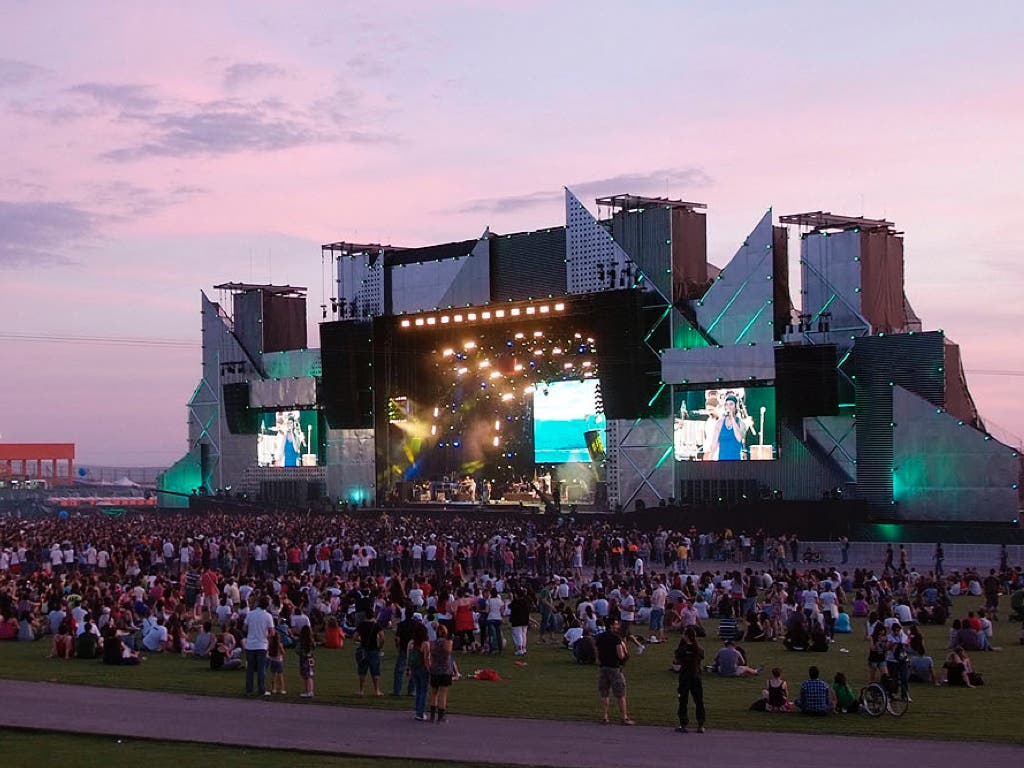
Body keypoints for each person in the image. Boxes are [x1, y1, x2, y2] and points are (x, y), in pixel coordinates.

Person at [596, 619, 634, 725]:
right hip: (614, 668)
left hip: (603, 667)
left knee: (604, 693)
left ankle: (604, 716)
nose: (618, 626)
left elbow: (597, 651)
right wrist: (625, 655)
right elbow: (620, 655)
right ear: (612, 625)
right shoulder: (616, 638)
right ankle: (624, 717)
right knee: (620, 693)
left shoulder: (600, 637)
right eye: (616, 624)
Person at [674, 626, 706, 732]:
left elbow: (677, 660)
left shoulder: (682, 650)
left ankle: (683, 724)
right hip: (696, 677)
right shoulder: (699, 649)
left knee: (683, 700)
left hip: (685, 677)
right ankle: (700, 724)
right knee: (699, 701)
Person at [243, 595, 275, 696]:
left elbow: (244, 627)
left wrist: (251, 631)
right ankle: (261, 689)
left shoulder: (250, 614)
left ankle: (249, 690)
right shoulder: (268, 616)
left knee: (250, 669)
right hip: (261, 644)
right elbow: (272, 632)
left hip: (250, 644)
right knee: (261, 669)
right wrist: (266, 636)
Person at [428, 624, 456, 723]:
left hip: (435, 669)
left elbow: (431, 654)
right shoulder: (447, 643)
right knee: (443, 693)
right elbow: (449, 653)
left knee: (434, 693)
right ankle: (441, 716)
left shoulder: (433, 643)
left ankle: (432, 715)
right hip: (445, 670)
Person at [355, 613, 384, 696]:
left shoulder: (361, 625)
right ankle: (377, 691)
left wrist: (361, 640)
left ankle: (361, 690)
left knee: (362, 671)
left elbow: (355, 636)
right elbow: (382, 637)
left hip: (363, 649)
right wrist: (380, 646)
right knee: (375, 671)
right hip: (374, 649)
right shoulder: (376, 625)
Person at [407, 620, 431, 720]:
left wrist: (408, 668)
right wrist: (429, 669)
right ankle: (420, 713)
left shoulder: (411, 643)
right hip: (422, 668)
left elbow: (408, 657)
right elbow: (426, 658)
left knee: (418, 690)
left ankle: (417, 711)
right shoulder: (425, 644)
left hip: (414, 668)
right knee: (423, 691)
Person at [297, 624, 315, 697]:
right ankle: (308, 690)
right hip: (310, 659)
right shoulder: (311, 641)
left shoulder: (301, 642)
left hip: (304, 659)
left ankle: (309, 691)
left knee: (306, 676)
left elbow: (297, 650)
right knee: (309, 675)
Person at [267, 631, 286, 695]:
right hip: (279, 660)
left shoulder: (270, 644)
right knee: (280, 675)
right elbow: (283, 652)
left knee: (273, 675)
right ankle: (281, 689)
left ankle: (273, 689)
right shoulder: (279, 644)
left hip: (272, 660)